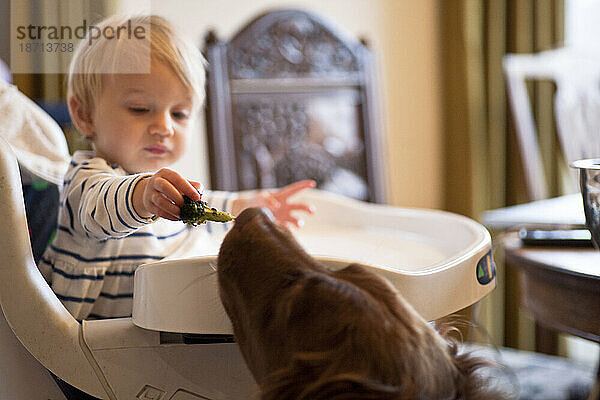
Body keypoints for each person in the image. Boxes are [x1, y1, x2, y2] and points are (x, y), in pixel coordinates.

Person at [39, 14, 314, 321]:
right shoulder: (85, 178)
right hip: (90, 350)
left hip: (154, 332)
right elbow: (101, 208)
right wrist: (142, 196)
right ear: (85, 114)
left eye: (180, 114)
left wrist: (246, 208)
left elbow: (202, 213)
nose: (164, 127)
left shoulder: (163, 192)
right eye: (140, 109)